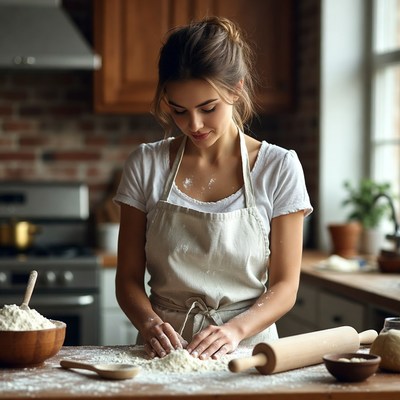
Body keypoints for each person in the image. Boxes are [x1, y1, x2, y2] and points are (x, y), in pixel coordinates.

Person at [114, 16, 313, 361]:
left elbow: (284, 287)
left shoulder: (278, 168)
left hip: (249, 351)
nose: (193, 125)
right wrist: (148, 324)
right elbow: (127, 279)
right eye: (178, 111)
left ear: (236, 89)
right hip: (164, 351)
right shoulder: (146, 165)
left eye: (208, 108)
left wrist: (234, 331)